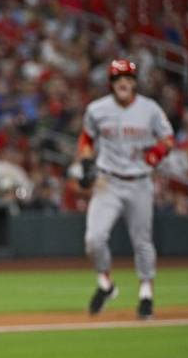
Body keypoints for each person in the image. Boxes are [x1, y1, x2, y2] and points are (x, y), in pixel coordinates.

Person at [73, 59, 174, 319]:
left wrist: (156, 154)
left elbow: (168, 137)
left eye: (128, 77)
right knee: (94, 239)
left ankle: (146, 294)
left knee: (142, 242)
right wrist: (85, 163)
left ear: (135, 82)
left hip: (140, 182)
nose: (123, 82)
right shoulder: (97, 109)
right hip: (109, 181)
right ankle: (106, 283)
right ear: (111, 83)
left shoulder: (149, 109)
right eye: (118, 78)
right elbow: (86, 138)